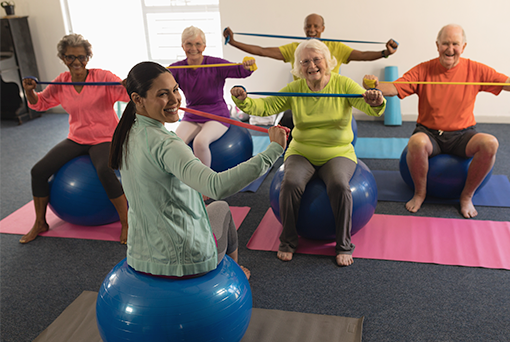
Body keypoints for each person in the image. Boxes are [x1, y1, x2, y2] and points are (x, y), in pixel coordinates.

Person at [109, 61, 287, 278]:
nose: (175, 99)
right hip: (182, 258)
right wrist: (273, 151)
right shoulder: (168, 144)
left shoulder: (127, 131)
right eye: (163, 94)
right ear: (138, 99)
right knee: (221, 208)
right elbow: (216, 186)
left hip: (141, 254)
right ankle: (231, 277)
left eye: (176, 89)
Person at [365, 24, 510, 218]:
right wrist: (375, 86)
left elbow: (507, 82)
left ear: (464, 46)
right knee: (415, 142)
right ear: (437, 45)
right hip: (429, 133)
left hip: (463, 135)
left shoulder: (475, 70)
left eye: (455, 44)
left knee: (490, 143)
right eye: (445, 43)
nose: (450, 49)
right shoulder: (423, 70)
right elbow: (394, 87)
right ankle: (420, 192)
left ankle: (467, 196)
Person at [231, 39, 386, 267]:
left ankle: (343, 245)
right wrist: (242, 100)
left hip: (338, 151)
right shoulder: (295, 88)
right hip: (302, 150)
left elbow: (368, 106)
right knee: (291, 183)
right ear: (298, 67)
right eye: (305, 61)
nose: (311, 65)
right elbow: (266, 107)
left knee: (340, 186)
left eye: (316, 59)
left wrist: (376, 100)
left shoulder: (343, 84)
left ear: (328, 62)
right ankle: (288, 241)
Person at [20, 34, 129, 244]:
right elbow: (41, 102)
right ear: (63, 58)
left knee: (105, 171)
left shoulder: (103, 77)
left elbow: (126, 95)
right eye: (70, 57)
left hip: (104, 137)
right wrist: (29, 92)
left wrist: (128, 85)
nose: (76, 62)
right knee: (38, 171)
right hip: (77, 138)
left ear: (88, 57)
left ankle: (126, 223)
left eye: (81, 57)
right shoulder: (62, 82)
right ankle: (40, 222)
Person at [224, 13, 397, 134]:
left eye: (316, 26)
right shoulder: (296, 49)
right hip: (301, 104)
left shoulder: (336, 47)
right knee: (284, 128)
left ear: (323, 28)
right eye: (308, 26)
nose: (312, 29)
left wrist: (384, 53)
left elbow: (362, 55)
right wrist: (233, 42)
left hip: (332, 104)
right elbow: (262, 51)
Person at [169, 26, 256, 171]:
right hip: (192, 114)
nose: (193, 48)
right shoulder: (177, 68)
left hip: (216, 114)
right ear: (182, 46)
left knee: (200, 142)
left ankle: (205, 186)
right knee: (175, 143)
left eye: (197, 44)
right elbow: (160, 80)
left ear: (204, 46)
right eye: (188, 44)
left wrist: (247, 66)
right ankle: (182, 180)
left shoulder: (214, 64)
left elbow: (239, 70)